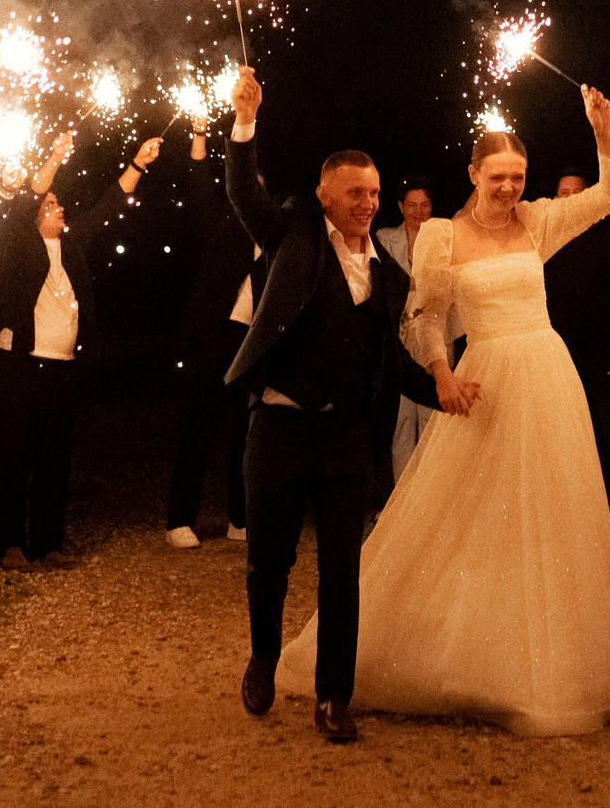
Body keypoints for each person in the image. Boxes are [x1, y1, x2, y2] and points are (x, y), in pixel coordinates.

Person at [279, 88, 610, 736]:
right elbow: (425, 314)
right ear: (472, 175)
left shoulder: (540, 221)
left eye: (517, 176)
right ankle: (453, 646)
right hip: (483, 377)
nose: (509, 187)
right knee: (472, 509)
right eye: (498, 177)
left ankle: (551, 654)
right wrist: (439, 370)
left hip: (546, 374)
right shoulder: (442, 235)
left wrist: (604, 133)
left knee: (550, 509)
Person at [222, 67, 440, 743]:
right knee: (269, 558)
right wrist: (246, 122)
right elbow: (244, 192)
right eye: (355, 192)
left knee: (343, 570)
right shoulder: (291, 233)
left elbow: (391, 361)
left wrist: (444, 389)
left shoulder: (390, 275)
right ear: (325, 194)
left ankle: (332, 697)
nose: (367, 202)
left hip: (345, 437)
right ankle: (263, 655)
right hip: (280, 424)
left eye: (374, 192)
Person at [0, 129, 159, 570]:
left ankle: (47, 543)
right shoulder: (18, 245)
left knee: (54, 460)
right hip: (22, 366)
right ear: (34, 216)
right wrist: (55, 156)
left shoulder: (71, 246)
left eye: (58, 205)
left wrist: (137, 163)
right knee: (14, 457)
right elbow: (24, 200)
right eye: (51, 205)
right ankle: (9, 546)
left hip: (63, 368)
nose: (59, 209)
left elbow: (109, 206)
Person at [164, 118, 262, 549]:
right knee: (200, 428)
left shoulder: (273, 236)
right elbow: (199, 184)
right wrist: (199, 138)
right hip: (214, 339)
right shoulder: (219, 223)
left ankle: (239, 519)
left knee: (246, 433)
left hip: (253, 344)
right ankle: (178, 520)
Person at [541, 168, 610, 528]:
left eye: (575, 192)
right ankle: (573, 505)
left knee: (607, 424)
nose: (567, 199)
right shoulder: (545, 240)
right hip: (554, 353)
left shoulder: (605, 238)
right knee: (560, 427)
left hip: (598, 350)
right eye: (561, 192)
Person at [373, 177, 442, 480]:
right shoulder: (385, 238)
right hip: (397, 334)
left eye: (425, 204)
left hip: (433, 332)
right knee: (399, 417)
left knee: (432, 418)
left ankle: (432, 496)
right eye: (412, 205)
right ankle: (402, 499)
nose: (419, 211)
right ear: (401, 207)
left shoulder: (443, 237)